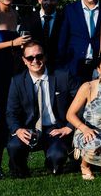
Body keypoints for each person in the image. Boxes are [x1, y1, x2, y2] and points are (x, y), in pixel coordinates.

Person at [6, 41, 77, 177]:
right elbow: (11, 112)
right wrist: (18, 129)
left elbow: (83, 101)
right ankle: (20, 168)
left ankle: (53, 164)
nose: (35, 61)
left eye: (39, 56)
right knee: (14, 146)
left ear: (45, 57)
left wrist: (70, 126)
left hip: (56, 129)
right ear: (24, 60)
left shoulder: (63, 76)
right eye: (30, 58)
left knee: (57, 157)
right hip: (29, 129)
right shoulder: (17, 81)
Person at [0, 0, 31, 179]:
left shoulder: (16, 14)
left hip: (12, 69)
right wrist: (12, 43)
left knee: (10, 112)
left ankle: (11, 162)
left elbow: (16, 44)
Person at [58, 0, 101, 84]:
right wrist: (63, 68)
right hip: (74, 68)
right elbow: (62, 40)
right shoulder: (69, 10)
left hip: (99, 68)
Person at [20, 0, 63, 72]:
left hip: (58, 69)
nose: (48, 2)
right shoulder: (27, 20)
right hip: (33, 69)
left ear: (57, 0)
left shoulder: (65, 20)